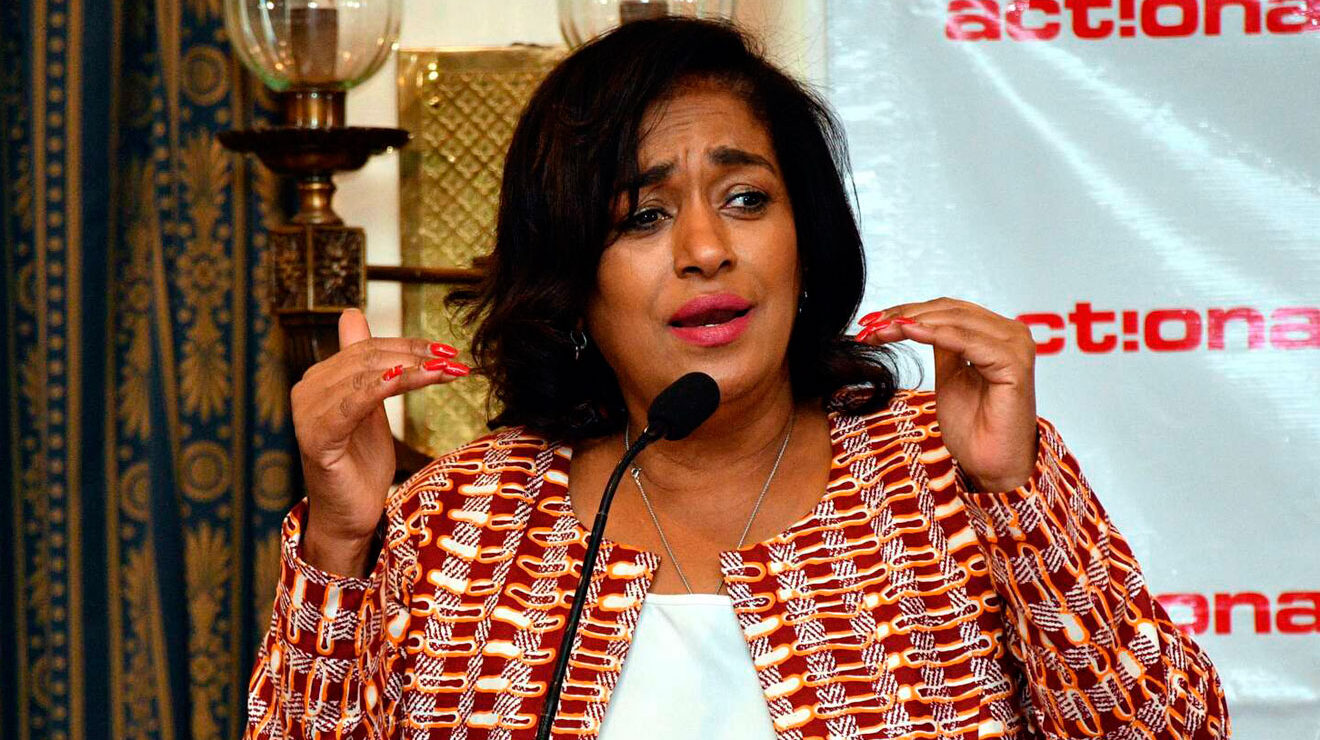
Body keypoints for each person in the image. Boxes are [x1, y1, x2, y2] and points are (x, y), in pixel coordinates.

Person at [245, 17, 1228, 740]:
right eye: (643, 216)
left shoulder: (947, 476)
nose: (707, 248)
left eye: (746, 198)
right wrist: (338, 543)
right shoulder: (460, 523)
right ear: (572, 278)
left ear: (805, 244)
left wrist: (1017, 497)